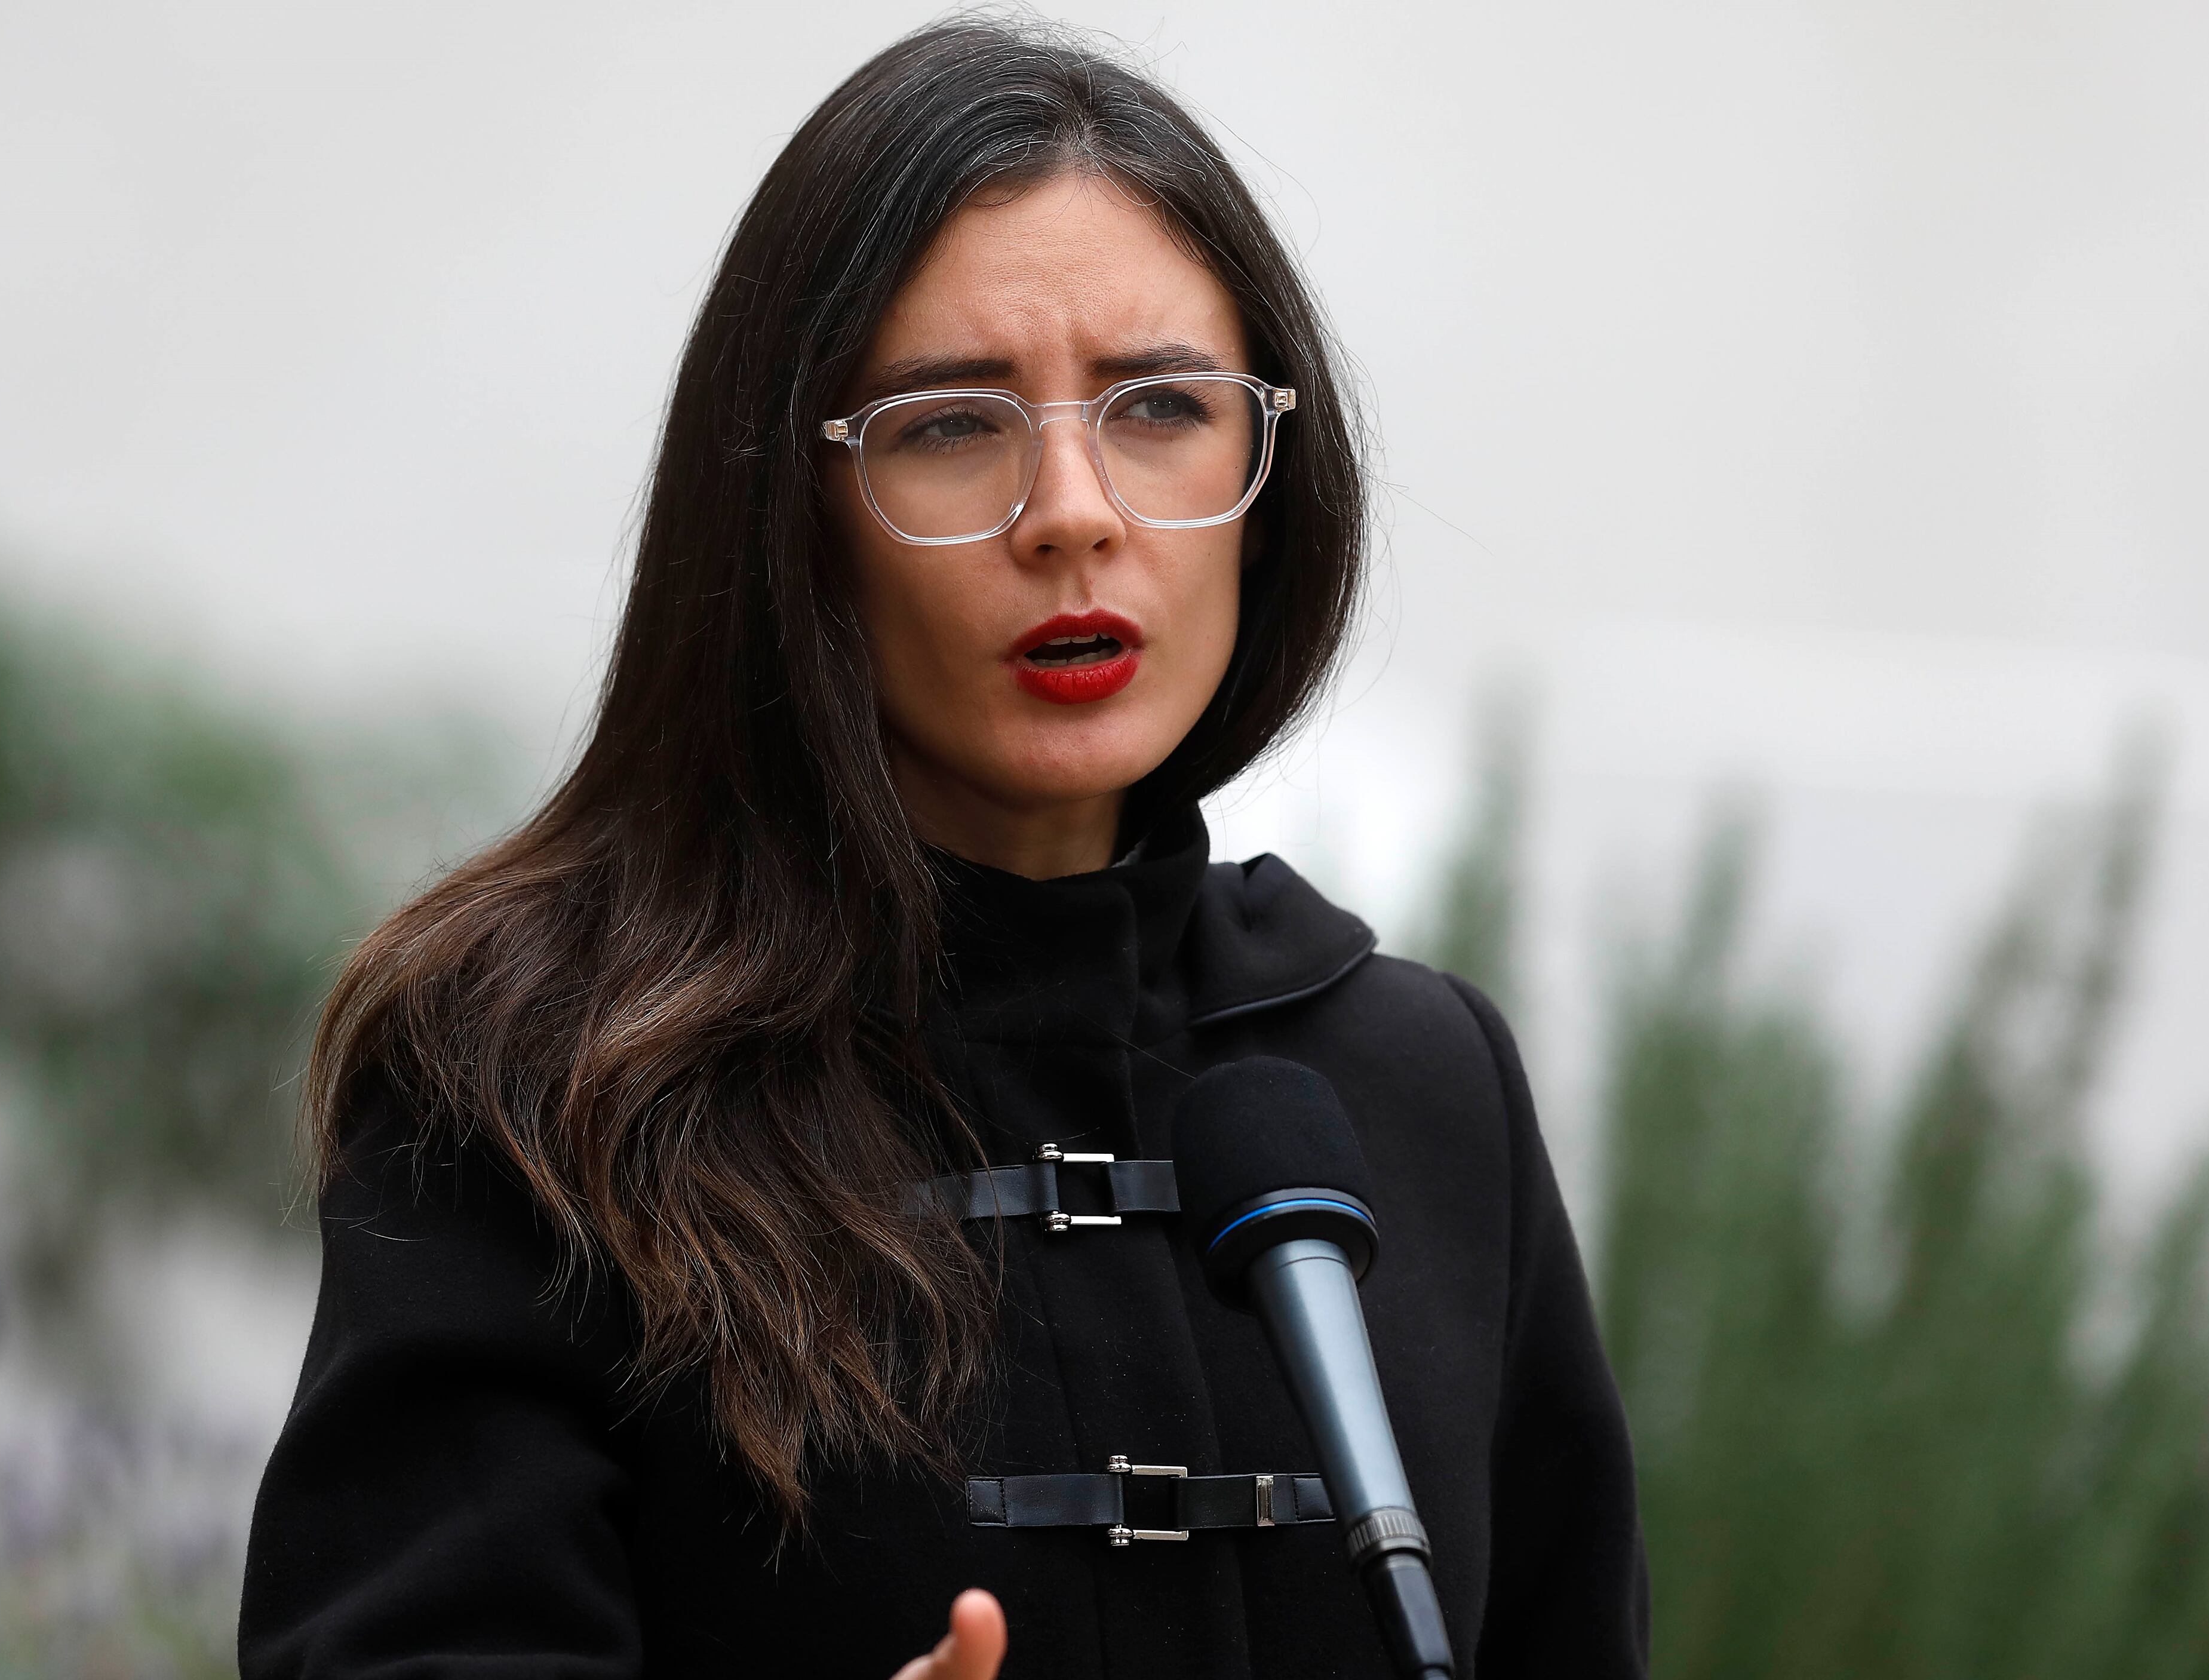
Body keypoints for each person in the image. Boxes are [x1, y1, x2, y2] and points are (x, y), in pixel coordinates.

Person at [238, 20, 1646, 1680]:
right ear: (793, 512)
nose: (1073, 511)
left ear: (1270, 485)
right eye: (951, 425)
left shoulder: (1418, 1082)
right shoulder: (535, 1080)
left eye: (1161, 406)